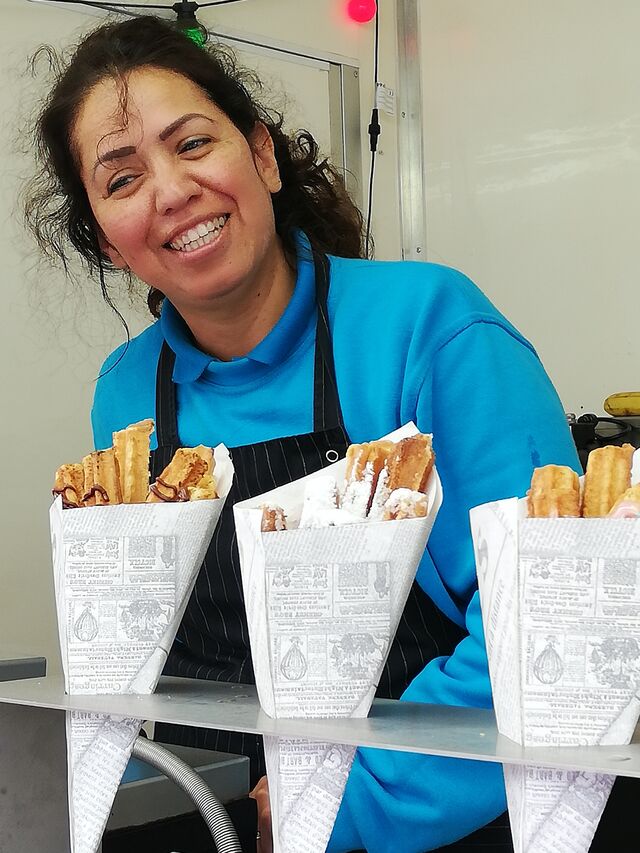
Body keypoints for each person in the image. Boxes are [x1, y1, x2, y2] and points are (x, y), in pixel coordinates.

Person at [25, 15, 581, 853]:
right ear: (106, 236)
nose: (171, 191)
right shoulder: (127, 394)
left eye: (193, 143)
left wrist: (340, 802)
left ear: (262, 155)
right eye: (124, 177)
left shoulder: (431, 328)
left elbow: (552, 629)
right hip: (221, 816)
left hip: (435, 820)